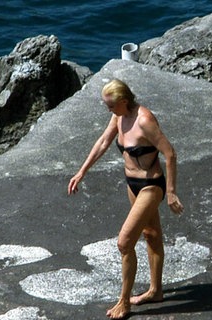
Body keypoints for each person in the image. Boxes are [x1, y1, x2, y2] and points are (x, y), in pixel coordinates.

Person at [68, 79, 184, 319]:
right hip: (132, 183)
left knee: (124, 242)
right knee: (150, 234)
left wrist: (171, 192)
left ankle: (124, 301)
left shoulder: (145, 120)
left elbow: (170, 153)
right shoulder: (119, 117)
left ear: (123, 101)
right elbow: (103, 142)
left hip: (151, 185)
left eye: (111, 106)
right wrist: (82, 171)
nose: (108, 110)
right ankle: (156, 291)